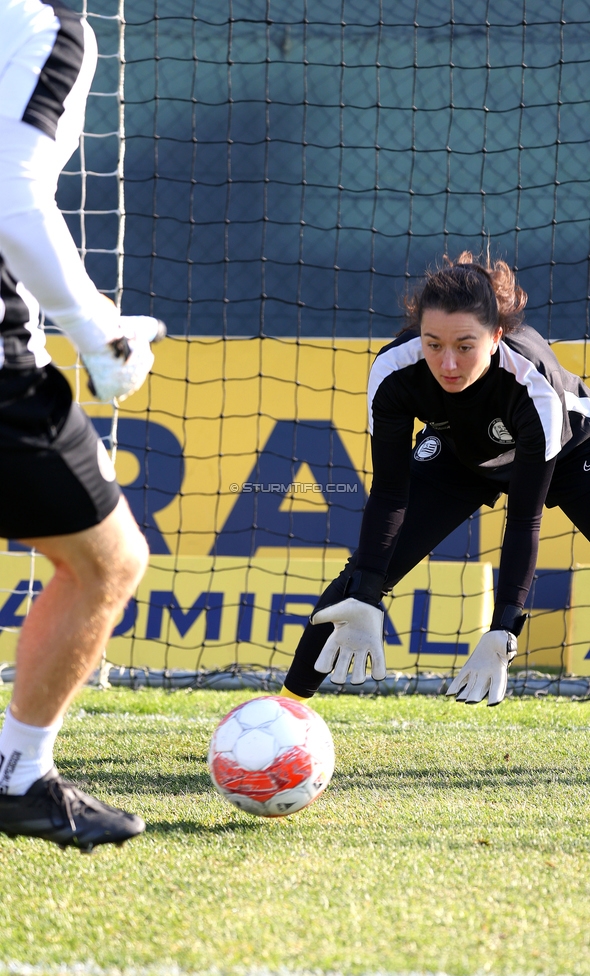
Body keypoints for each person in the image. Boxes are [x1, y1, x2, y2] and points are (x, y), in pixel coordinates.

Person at [280, 252, 590, 706]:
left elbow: (524, 520)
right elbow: (389, 491)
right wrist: (367, 593)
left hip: (568, 453)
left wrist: (504, 628)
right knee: (359, 581)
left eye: (465, 346)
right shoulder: (393, 371)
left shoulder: (532, 385)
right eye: (433, 344)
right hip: (459, 454)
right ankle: (280, 714)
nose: (448, 364)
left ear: (496, 336)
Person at [0, 0, 164, 851]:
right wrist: (96, 329)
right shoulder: (46, 24)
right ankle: (19, 777)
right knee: (108, 560)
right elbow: (10, 197)